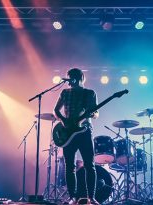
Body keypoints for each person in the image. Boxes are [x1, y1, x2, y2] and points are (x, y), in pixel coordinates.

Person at [54, 68, 99, 204]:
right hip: (68, 133)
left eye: (71, 77)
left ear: (79, 78)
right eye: (68, 77)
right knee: (69, 166)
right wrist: (63, 120)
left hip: (84, 132)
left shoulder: (90, 93)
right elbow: (56, 110)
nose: (69, 80)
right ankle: (72, 197)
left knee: (89, 165)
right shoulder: (65, 92)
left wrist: (92, 114)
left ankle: (91, 197)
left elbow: (96, 114)